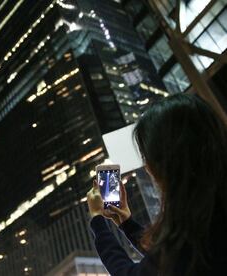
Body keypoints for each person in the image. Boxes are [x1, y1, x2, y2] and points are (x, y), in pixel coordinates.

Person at [87, 93, 227, 275]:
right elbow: (167, 259)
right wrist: (126, 222)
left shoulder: (194, 228)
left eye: (148, 157)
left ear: (168, 161)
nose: (146, 167)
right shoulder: (209, 212)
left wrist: (97, 218)